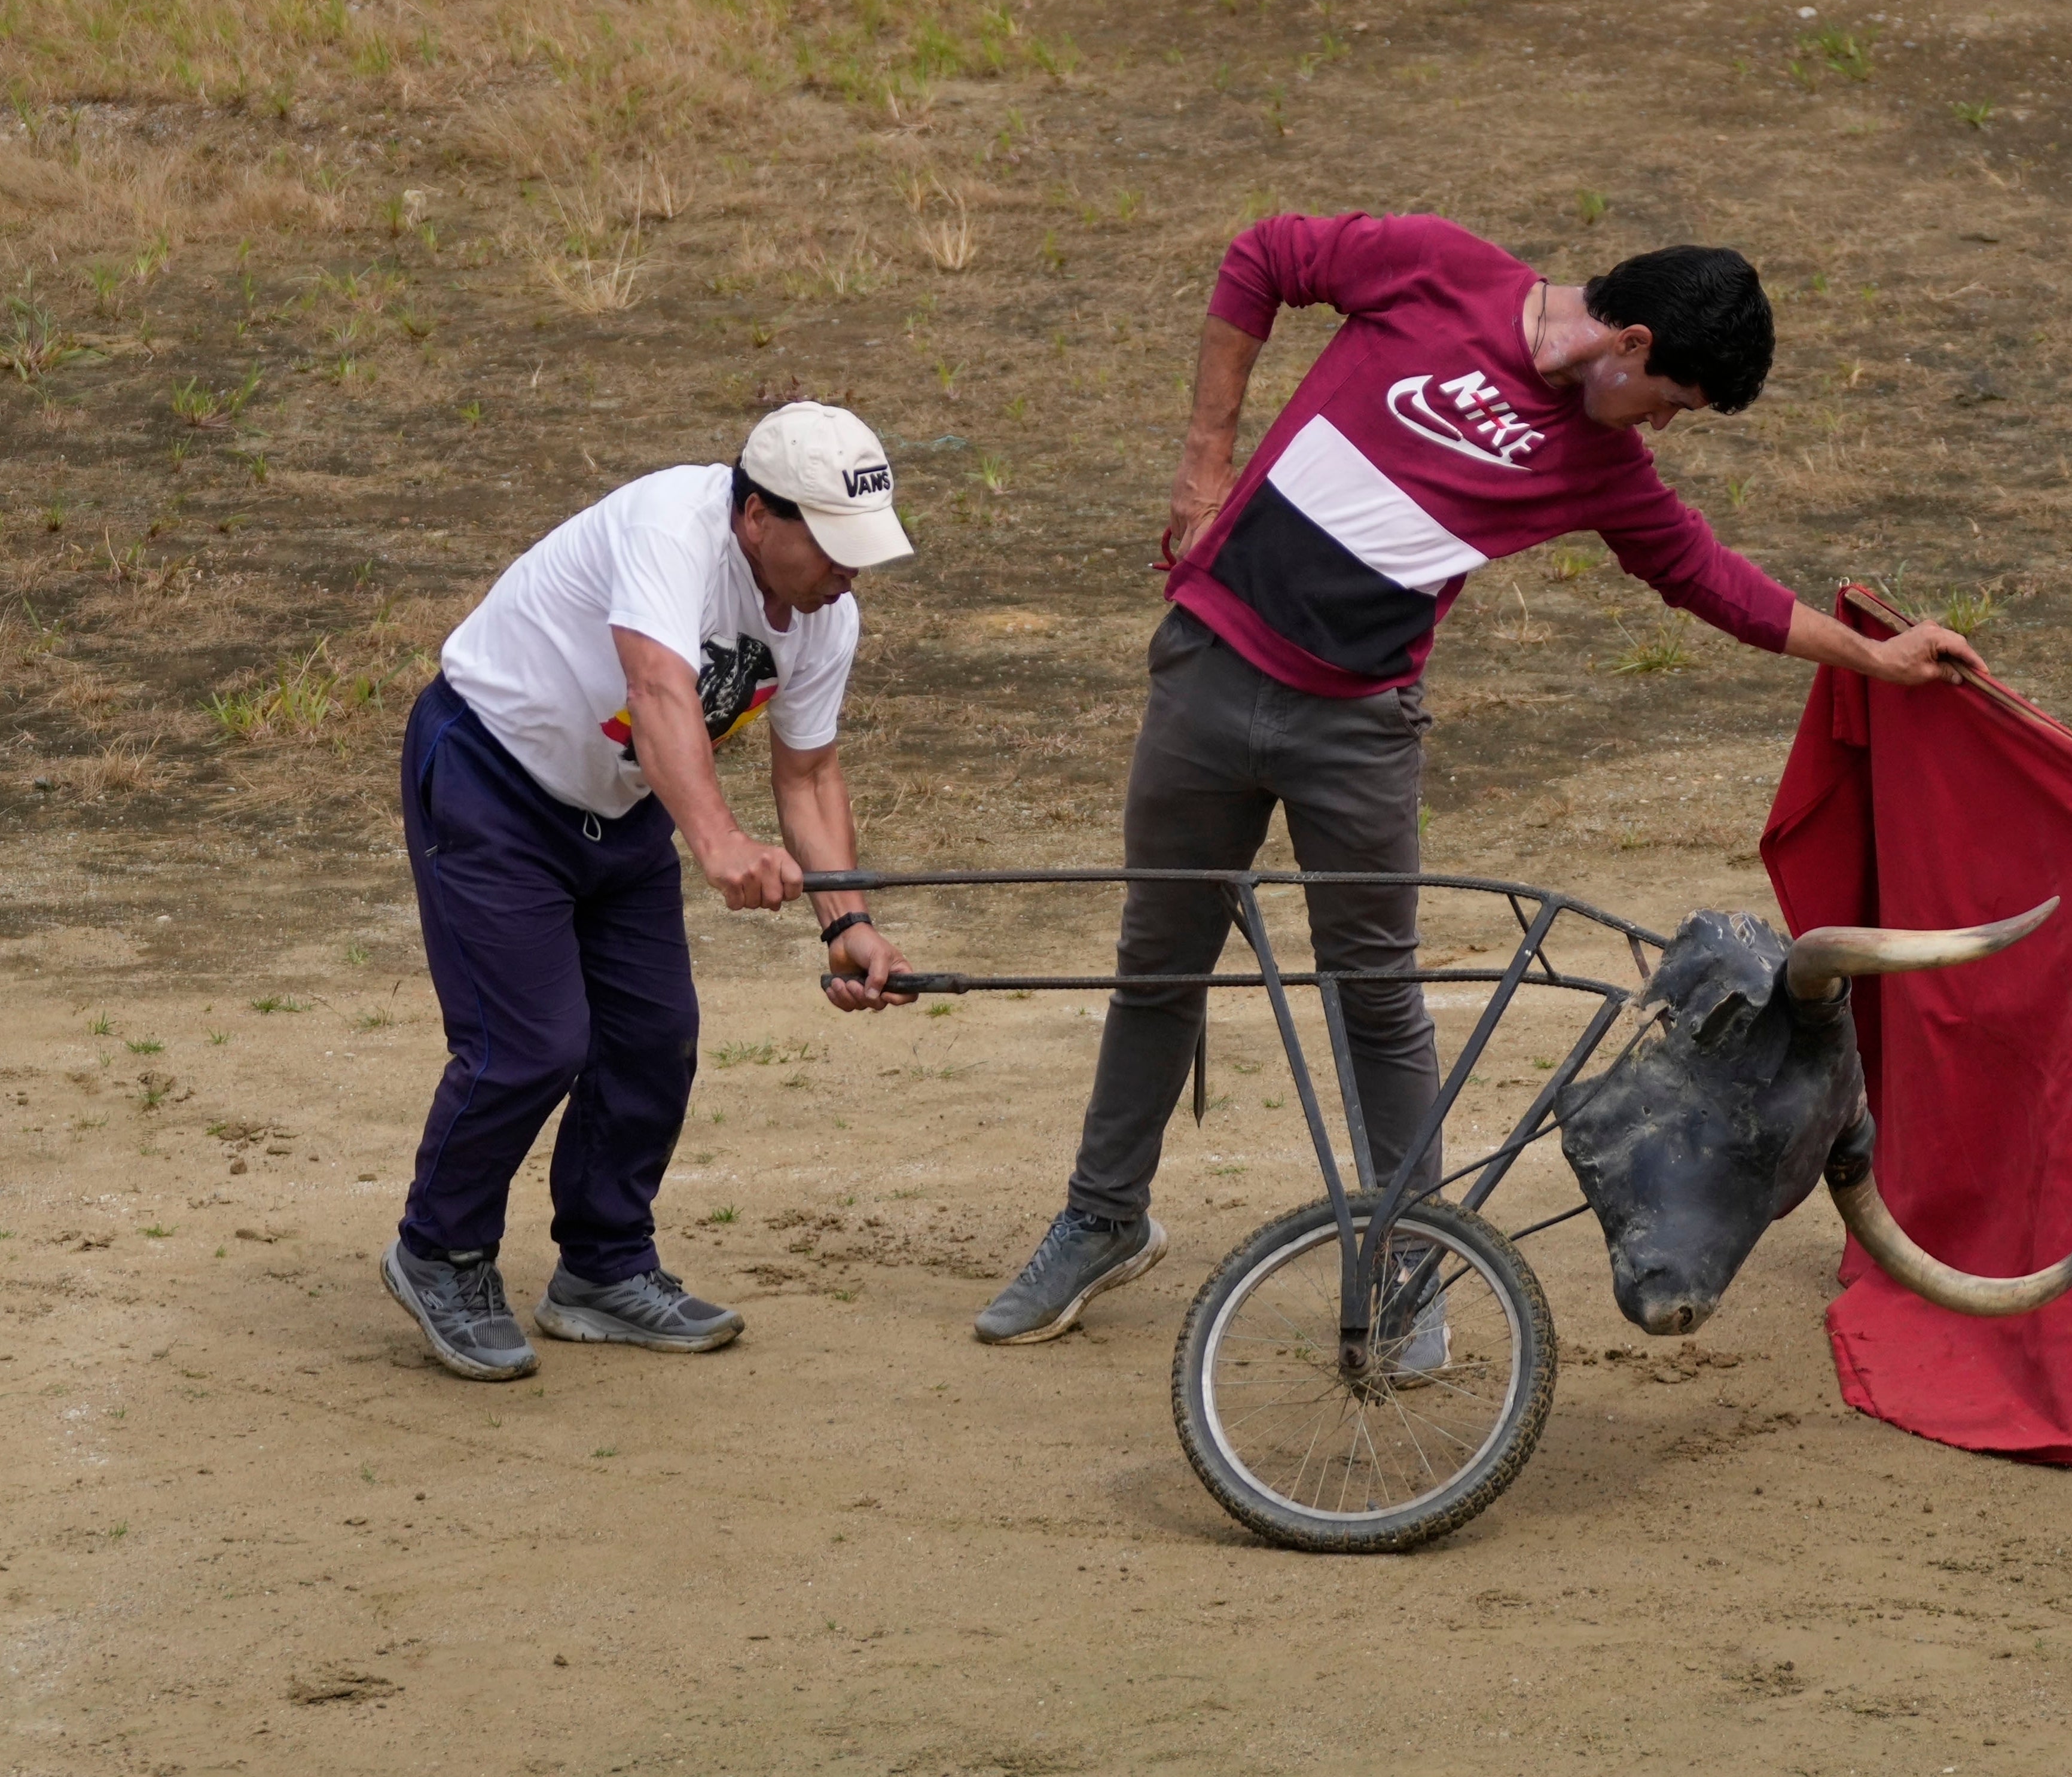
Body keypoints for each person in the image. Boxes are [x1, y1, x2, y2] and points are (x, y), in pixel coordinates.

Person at [972, 213, 1987, 1349]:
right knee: (1158, 962)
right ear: (1632, 343)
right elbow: (1261, 257)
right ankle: (1103, 1219)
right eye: (1670, 402)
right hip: (1207, 670)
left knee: (1376, 994)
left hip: (1356, 731)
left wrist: (1875, 658)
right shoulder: (1440, 271)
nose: (1663, 428)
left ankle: (1410, 1269)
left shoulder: (1603, 464)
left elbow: (1703, 576)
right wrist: (1206, 459)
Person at [382, 401, 918, 1382]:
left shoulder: (827, 616)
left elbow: (807, 777)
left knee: (652, 1038)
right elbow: (663, 689)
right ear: (757, 516)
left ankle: (601, 1266)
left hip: (622, 809)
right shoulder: (672, 527)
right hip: (490, 776)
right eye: (833, 545)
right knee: (530, 1045)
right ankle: (439, 1250)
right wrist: (716, 844)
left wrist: (850, 923)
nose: (850, 571)